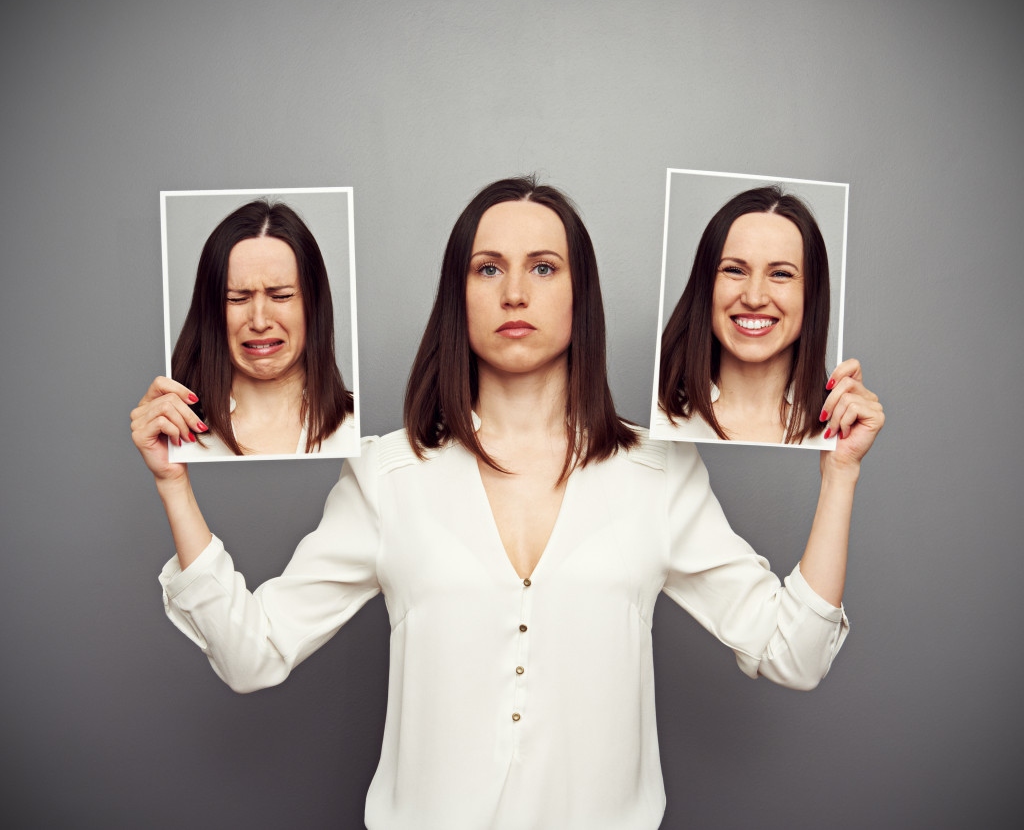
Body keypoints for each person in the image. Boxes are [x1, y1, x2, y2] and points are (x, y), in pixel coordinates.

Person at [131, 177, 884, 830]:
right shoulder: (387, 476)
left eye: (543, 267)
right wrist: (175, 486)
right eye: (488, 268)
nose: (514, 292)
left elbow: (796, 655)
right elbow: (250, 655)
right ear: (458, 294)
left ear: (577, 293)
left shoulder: (658, 472)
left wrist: (840, 475)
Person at [169, 199, 355, 458]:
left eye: (280, 296)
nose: (259, 322)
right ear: (210, 312)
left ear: (314, 305)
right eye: (236, 298)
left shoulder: (357, 431)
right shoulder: (174, 433)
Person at [655, 185, 834, 446]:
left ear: (812, 295)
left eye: (781, 274)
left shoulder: (835, 429)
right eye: (735, 270)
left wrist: (842, 467)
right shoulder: (660, 422)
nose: (754, 298)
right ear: (705, 285)